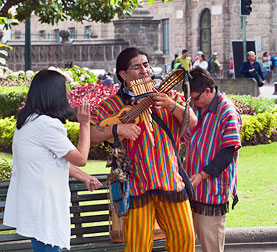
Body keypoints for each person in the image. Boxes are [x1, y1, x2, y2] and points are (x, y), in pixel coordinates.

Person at [89, 47, 197, 252]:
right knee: (137, 247)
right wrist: (117, 128)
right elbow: (90, 134)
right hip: (137, 186)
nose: (144, 71)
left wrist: (170, 105)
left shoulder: (168, 96)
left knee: (184, 239)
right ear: (122, 74)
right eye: (136, 67)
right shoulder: (112, 104)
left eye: (146, 65)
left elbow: (192, 121)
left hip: (170, 182)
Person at [3, 69, 102, 252]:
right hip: (44, 209)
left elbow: (53, 159)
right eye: (64, 91)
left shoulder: (28, 121)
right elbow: (81, 158)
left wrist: (84, 177)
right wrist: (85, 124)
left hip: (37, 206)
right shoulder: (46, 125)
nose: (66, 96)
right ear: (55, 94)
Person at [183, 67, 242, 252]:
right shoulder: (195, 108)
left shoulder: (227, 111)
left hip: (212, 191)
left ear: (208, 91)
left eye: (195, 98)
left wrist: (202, 175)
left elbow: (228, 153)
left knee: (211, 246)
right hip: (191, 188)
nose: (192, 102)